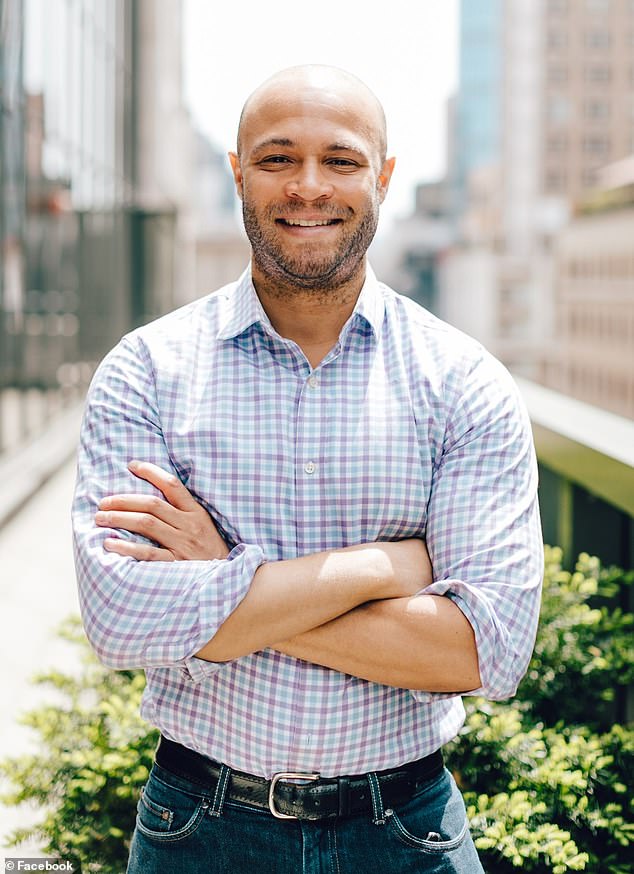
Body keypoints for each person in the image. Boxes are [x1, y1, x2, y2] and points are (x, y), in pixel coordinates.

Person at [72, 65, 543, 874]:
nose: (309, 187)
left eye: (343, 160)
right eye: (278, 158)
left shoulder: (462, 382)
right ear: (237, 173)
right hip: (199, 830)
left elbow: (480, 654)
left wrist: (217, 584)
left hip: (408, 834)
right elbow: (121, 620)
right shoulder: (146, 369)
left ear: (384, 178)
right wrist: (381, 567)